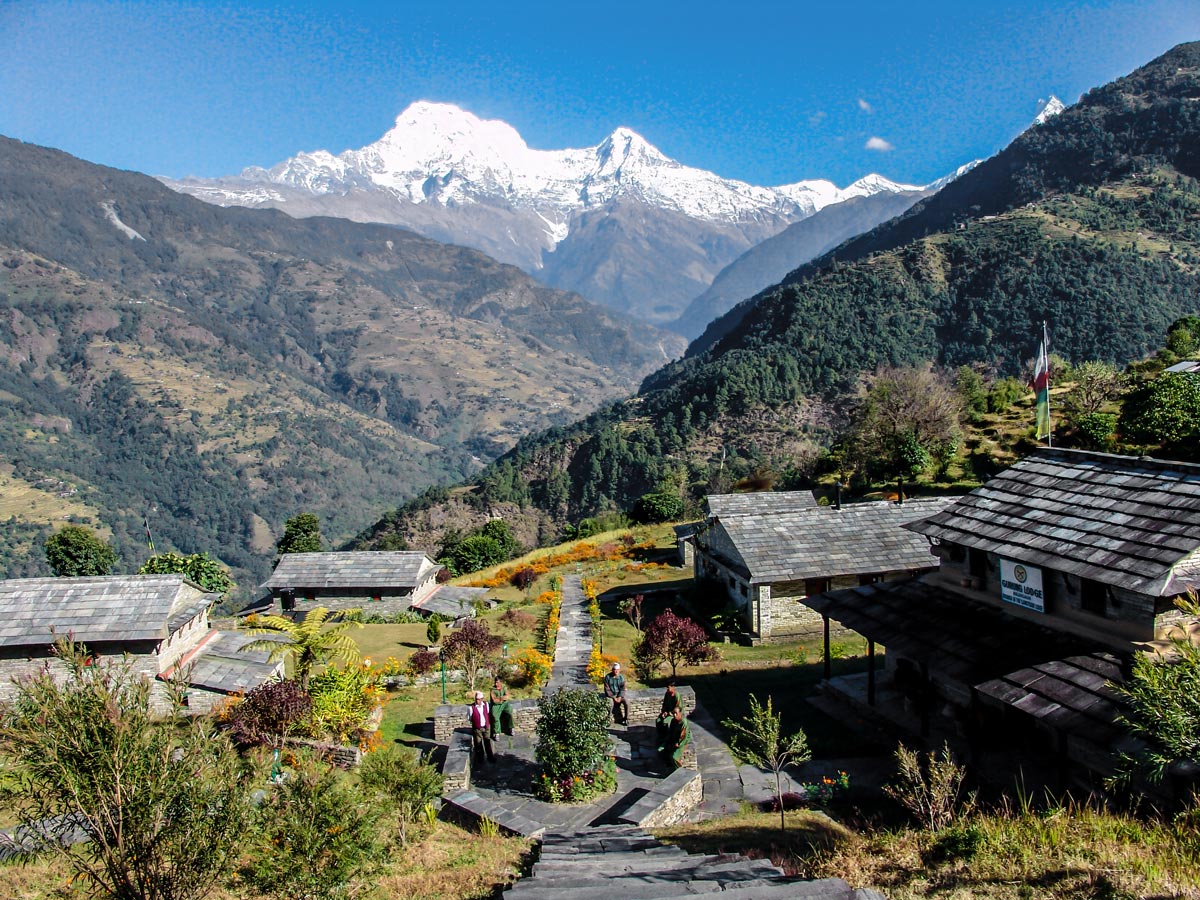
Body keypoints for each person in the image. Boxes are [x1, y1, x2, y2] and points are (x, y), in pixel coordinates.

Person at [657, 705, 691, 769]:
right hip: (673, 739)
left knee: (674, 757)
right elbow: (671, 732)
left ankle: (679, 770)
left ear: (680, 713)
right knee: (661, 750)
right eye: (674, 713)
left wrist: (678, 743)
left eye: (676, 713)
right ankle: (669, 766)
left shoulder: (684, 723)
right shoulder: (673, 721)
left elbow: (683, 735)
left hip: (682, 742)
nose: (675, 715)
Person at [467, 691, 496, 764]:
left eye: (479, 699)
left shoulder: (486, 705)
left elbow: (488, 713)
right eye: (476, 699)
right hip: (477, 729)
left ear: (482, 699)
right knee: (478, 744)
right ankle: (480, 759)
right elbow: (470, 718)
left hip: (486, 727)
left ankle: (490, 757)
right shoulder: (471, 708)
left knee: (487, 742)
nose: (477, 701)